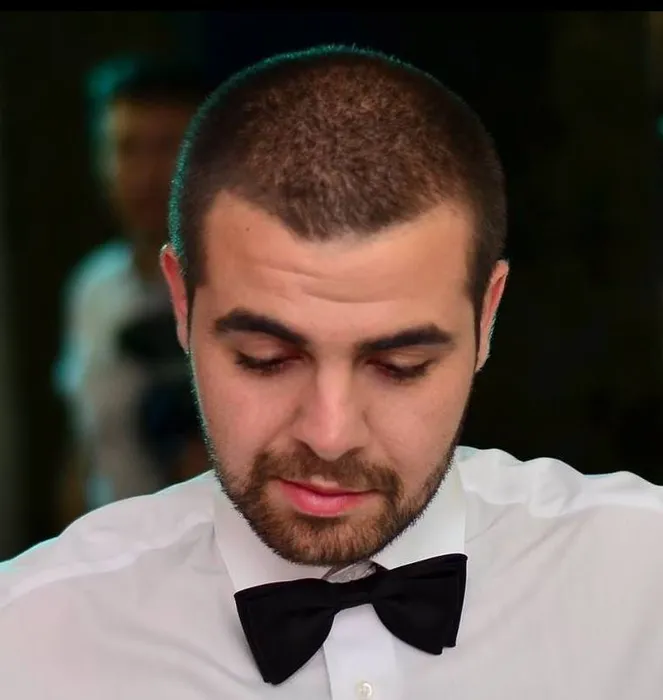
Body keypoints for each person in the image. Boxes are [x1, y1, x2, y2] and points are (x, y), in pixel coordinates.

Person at [3, 45, 663, 698]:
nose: (329, 434)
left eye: (400, 367)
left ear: (486, 317)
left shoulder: (643, 576)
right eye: (265, 360)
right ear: (182, 305)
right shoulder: (28, 639)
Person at [54, 54, 211, 516]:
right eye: (126, 148)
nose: (146, 174)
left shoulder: (242, 286)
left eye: (166, 147)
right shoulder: (93, 287)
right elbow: (86, 447)